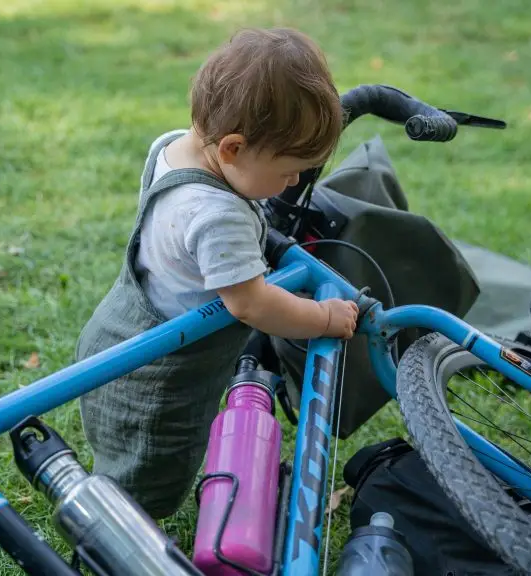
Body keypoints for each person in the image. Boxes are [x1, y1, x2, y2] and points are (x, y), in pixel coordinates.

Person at [75, 27, 359, 519]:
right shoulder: (218, 215)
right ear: (230, 149)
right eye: (289, 170)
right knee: (143, 486)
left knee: (122, 460)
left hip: (117, 332)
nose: (294, 182)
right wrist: (325, 318)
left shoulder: (173, 147)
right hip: (159, 377)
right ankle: (115, 541)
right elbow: (251, 303)